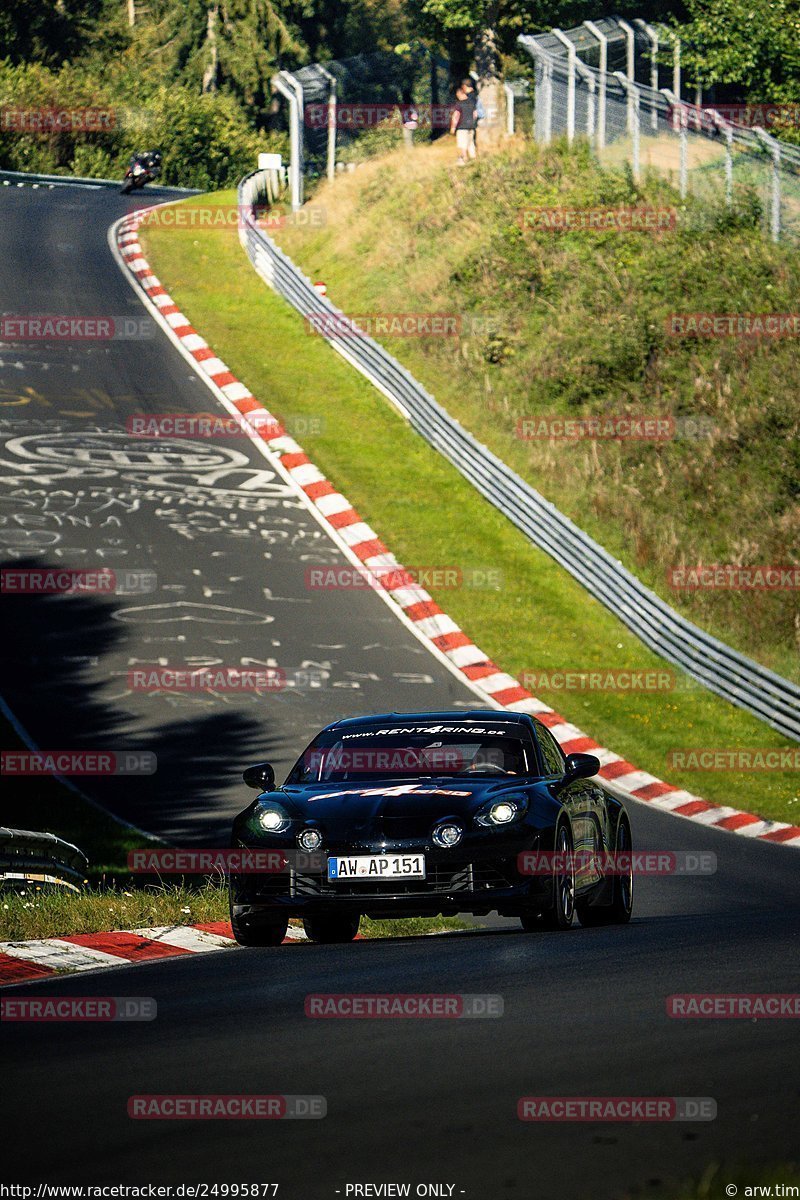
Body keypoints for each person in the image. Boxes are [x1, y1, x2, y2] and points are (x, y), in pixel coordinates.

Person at [449, 83, 477, 165]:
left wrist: (453, 127)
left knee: (462, 143)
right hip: (471, 126)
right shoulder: (472, 103)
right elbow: (475, 114)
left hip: (462, 127)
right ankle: (474, 159)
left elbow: (456, 116)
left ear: (459, 94)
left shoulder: (459, 104)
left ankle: (464, 159)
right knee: (471, 143)